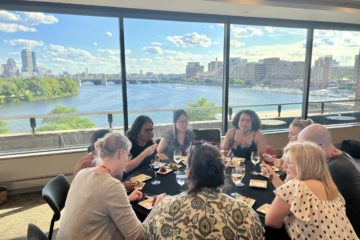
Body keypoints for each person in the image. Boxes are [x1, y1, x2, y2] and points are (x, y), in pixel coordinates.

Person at [144, 143, 264, 239]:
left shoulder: (163, 208)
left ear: (189, 172)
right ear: (222, 173)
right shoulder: (246, 214)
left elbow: (145, 235)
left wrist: (155, 208)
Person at [57, 132, 164, 240]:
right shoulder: (112, 185)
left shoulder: (83, 173)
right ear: (121, 153)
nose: (128, 160)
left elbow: (97, 204)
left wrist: (126, 199)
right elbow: (138, 236)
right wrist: (157, 208)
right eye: (128, 156)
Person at [265, 141, 358, 240]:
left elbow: (271, 222)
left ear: (303, 165)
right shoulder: (330, 188)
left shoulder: (297, 186)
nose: (284, 167)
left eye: (289, 162)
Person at [297, 124, 360, 236]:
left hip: (347, 230)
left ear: (318, 146)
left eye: (303, 147)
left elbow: (306, 200)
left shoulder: (335, 167)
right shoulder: (340, 155)